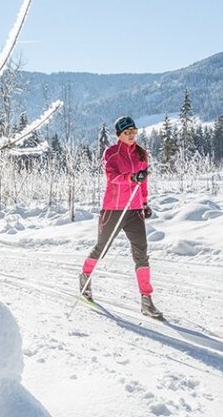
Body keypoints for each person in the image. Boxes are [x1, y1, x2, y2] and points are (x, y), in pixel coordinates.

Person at [78, 115, 163, 319]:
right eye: (127, 132)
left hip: (134, 211)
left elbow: (143, 184)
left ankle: (146, 300)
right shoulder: (111, 153)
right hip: (114, 209)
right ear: (119, 134)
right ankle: (85, 278)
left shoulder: (141, 154)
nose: (132, 135)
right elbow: (112, 177)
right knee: (102, 248)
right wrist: (131, 177)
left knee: (141, 252)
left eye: (134, 132)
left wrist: (144, 203)